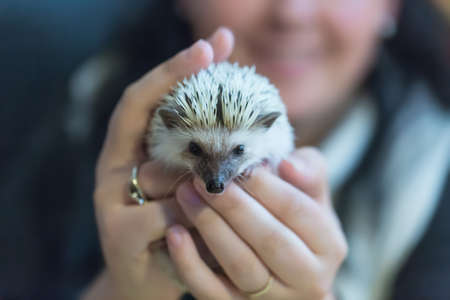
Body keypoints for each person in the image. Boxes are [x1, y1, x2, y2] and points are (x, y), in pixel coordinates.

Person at [17, 0, 447, 299]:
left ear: (392, 5)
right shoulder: (74, 108)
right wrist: (123, 292)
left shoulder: (431, 171)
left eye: (237, 151)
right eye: (198, 152)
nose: (291, 14)